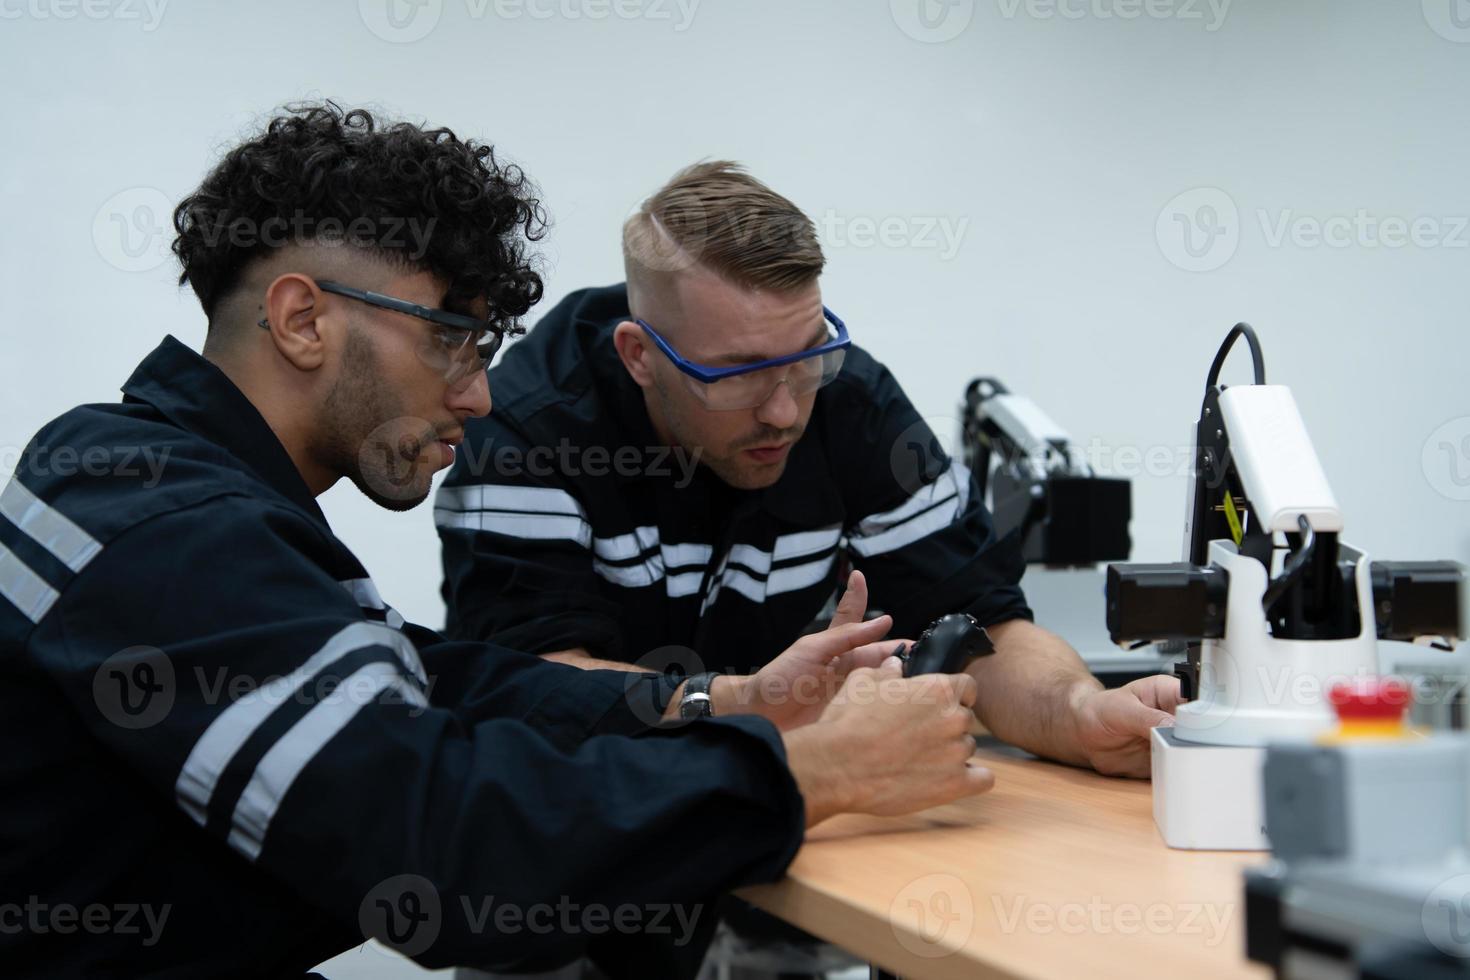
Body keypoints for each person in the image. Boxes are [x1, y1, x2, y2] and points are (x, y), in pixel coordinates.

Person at [0, 105, 993, 979]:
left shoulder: (165, 485)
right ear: (303, 319)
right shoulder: (164, 525)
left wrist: (724, 700)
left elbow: (429, 682)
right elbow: (437, 853)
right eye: (450, 340)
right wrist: (817, 772)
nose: (476, 393)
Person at [438, 161, 1182, 781]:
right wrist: (743, 701)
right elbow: (532, 687)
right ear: (640, 355)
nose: (784, 412)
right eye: (737, 375)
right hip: (582, 824)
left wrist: (1083, 715)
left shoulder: (849, 399)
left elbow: (986, 628)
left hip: (781, 803)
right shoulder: (526, 430)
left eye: (806, 358)